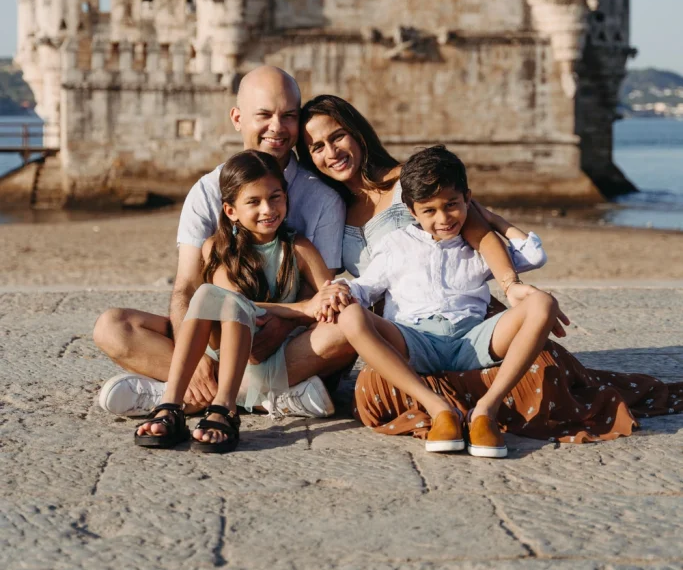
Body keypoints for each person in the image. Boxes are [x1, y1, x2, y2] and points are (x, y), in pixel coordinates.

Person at [94, 66, 355, 421]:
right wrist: (196, 356)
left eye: (288, 116)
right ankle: (263, 396)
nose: (277, 127)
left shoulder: (322, 199)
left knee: (351, 326)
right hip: (215, 336)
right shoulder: (206, 192)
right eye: (263, 115)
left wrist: (279, 328)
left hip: (284, 343)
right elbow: (188, 287)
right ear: (237, 118)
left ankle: (177, 394)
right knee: (112, 326)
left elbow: (322, 295)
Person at [319, 145, 563, 457]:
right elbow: (364, 288)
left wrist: (488, 217)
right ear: (411, 210)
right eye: (429, 210)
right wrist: (340, 289)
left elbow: (533, 254)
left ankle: (486, 410)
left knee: (542, 303)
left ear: (467, 199)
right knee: (351, 316)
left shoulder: (480, 245)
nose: (444, 218)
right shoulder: (396, 244)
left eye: (452, 205)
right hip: (415, 341)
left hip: (472, 341)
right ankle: (440, 409)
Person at [135, 150, 349, 453]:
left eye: (276, 197)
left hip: (269, 357)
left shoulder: (297, 247)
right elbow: (236, 303)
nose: (268, 209)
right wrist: (302, 308)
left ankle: (221, 403)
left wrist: (332, 296)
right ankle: (177, 404)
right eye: (254, 201)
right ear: (231, 210)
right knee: (210, 295)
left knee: (351, 321)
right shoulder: (217, 248)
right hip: (221, 355)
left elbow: (326, 294)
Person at [298, 93, 536, 301]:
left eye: (338, 137)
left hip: (450, 314)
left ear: (358, 134)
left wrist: (510, 284)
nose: (331, 152)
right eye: (317, 147)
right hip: (391, 329)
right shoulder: (332, 207)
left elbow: (481, 236)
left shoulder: (409, 180)